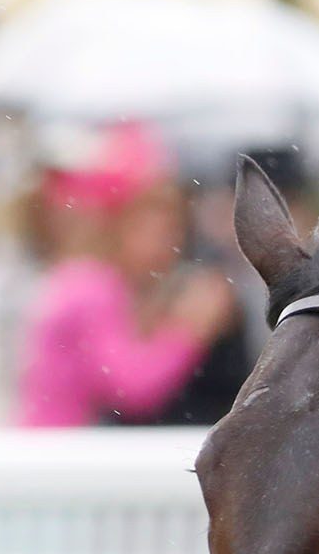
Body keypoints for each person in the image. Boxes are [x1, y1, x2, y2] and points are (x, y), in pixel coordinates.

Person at [15, 122, 239, 428]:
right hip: (56, 459)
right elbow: (130, 389)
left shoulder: (87, 278)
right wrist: (190, 328)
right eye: (150, 228)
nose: (167, 244)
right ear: (115, 226)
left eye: (174, 229)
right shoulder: (90, 285)